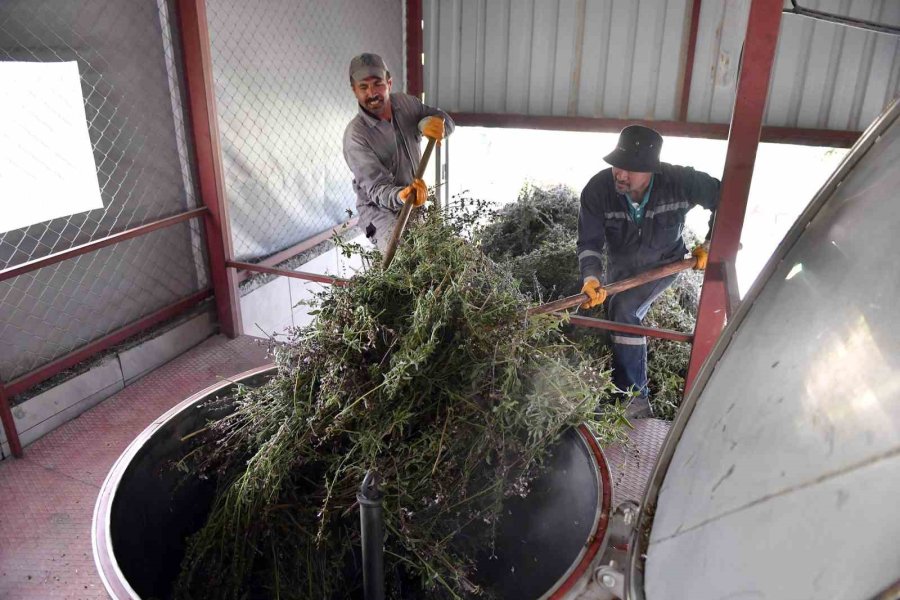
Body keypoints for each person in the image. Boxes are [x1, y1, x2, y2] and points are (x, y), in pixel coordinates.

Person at [577, 125, 720, 417]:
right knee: (611, 311)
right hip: (621, 266)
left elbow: (726, 198)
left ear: (651, 170)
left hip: (664, 263)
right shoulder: (598, 190)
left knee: (625, 310)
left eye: (630, 169)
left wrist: (710, 243)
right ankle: (615, 383)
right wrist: (591, 278)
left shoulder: (681, 181)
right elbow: (589, 243)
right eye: (617, 165)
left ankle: (635, 400)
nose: (620, 174)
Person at [342, 53, 454, 250]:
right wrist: (403, 196)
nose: (372, 93)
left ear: (389, 83)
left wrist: (430, 123)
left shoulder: (406, 104)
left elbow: (445, 120)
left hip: (413, 199)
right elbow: (377, 189)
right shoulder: (356, 136)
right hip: (379, 211)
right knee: (402, 254)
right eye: (363, 87)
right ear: (354, 90)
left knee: (432, 251)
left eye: (378, 84)